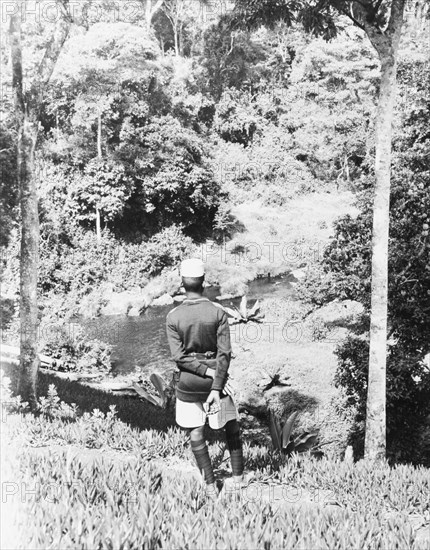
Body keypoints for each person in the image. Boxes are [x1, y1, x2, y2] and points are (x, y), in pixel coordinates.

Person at [166, 258, 245, 498]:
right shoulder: (218, 312)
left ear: (182, 284)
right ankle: (238, 478)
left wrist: (203, 371)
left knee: (196, 432)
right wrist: (215, 382)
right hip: (218, 382)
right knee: (231, 425)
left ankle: (210, 486)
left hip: (189, 382)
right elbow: (225, 353)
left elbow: (179, 358)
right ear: (203, 282)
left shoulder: (173, 316)